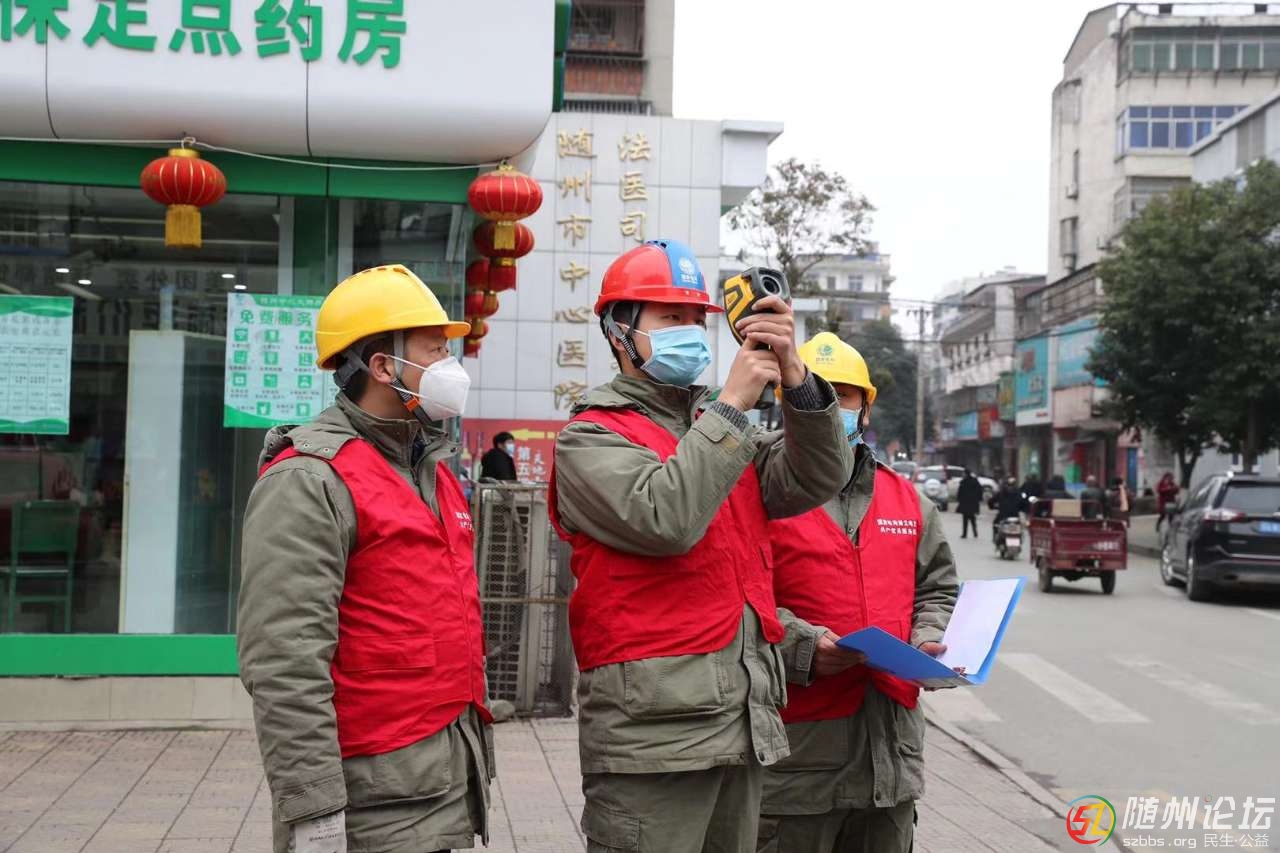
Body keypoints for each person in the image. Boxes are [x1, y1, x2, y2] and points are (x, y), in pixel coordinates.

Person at [550, 240, 854, 853]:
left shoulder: (716, 428)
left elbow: (819, 476)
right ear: (619, 330)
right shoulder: (590, 438)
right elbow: (666, 519)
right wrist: (733, 403)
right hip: (651, 743)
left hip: (741, 723)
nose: (690, 331)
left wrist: (796, 380)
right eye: (671, 318)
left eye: (696, 319)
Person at [237, 265, 494, 853]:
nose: (451, 365)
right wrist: (313, 808)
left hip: (437, 787)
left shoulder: (428, 468)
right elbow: (284, 658)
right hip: (372, 806)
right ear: (382, 367)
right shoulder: (309, 479)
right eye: (435, 350)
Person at [759, 333, 959, 853]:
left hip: (890, 757)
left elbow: (938, 588)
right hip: (797, 762)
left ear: (865, 407)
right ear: (787, 402)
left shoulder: (908, 500)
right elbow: (733, 597)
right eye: (815, 392)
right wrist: (802, 646)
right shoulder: (758, 491)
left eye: (843, 395)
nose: (830, 406)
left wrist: (928, 637)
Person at [991, 476, 1026, 544]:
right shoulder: (1018, 493)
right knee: (996, 523)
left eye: (1011, 485)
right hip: (1013, 516)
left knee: (996, 523)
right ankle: (997, 538)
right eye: (1009, 485)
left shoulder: (1001, 493)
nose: (1010, 487)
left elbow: (1024, 504)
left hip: (1005, 516)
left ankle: (996, 538)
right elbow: (1024, 504)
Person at [956, 468, 983, 539]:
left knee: (968, 518)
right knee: (970, 518)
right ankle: (972, 533)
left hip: (968, 503)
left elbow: (960, 492)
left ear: (966, 474)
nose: (962, 475)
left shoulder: (966, 482)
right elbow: (980, 491)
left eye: (963, 473)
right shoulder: (971, 481)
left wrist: (959, 499)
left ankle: (966, 534)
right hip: (970, 503)